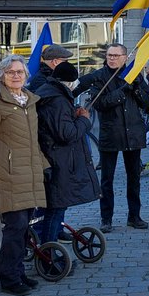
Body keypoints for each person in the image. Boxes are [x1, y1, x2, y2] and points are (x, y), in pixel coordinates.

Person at [0, 55, 49, 295]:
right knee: (14, 227)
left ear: (26, 75)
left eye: (20, 72)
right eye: (10, 72)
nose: (16, 75)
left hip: (29, 173)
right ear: (2, 76)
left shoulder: (29, 101)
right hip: (7, 175)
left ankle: (18, 272)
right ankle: (8, 278)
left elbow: (32, 141)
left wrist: (43, 165)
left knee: (23, 227)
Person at [74, 43, 149, 231]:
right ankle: (106, 219)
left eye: (116, 55)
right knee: (107, 180)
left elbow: (147, 103)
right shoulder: (100, 77)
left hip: (132, 134)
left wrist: (135, 88)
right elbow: (100, 103)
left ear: (125, 57)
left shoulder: (134, 75)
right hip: (111, 133)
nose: (112, 58)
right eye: (110, 55)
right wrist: (122, 91)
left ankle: (134, 216)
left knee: (134, 178)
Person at [35, 60, 100, 241]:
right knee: (55, 207)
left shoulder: (52, 93)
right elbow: (67, 134)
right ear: (70, 83)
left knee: (54, 206)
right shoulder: (57, 100)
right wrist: (84, 120)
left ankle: (51, 240)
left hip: (55, 157)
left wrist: (74, 115)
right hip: (57, 159)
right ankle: (49, 249)